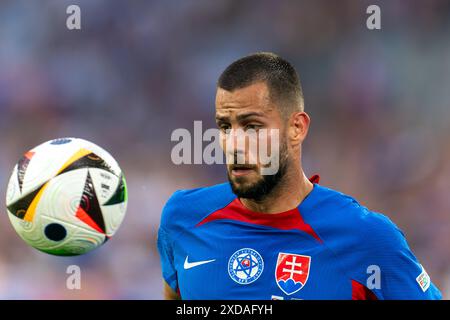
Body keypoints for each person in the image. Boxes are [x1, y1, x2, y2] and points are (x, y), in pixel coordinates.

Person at [157, 52, 441, 300]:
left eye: (252, 126)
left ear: (297, 128)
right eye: (225, 127)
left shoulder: (367, 238)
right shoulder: (183, 217)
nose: (234, 144)